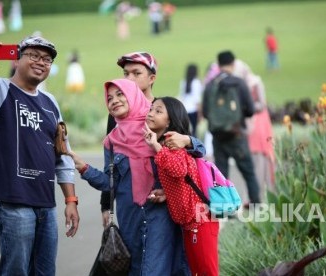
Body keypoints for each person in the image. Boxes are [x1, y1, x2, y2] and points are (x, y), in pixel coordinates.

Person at [0, 36, 79, 275]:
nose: (41, 62)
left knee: (45, 271)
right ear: (16, 59)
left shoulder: (50, 103)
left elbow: (62, 154)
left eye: (46, 59)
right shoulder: (0, 89)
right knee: (17, 271)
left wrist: (70, 200)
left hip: (45, 204)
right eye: (33, 55)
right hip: (12, 203)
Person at [70, 78, 191, 275]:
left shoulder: (156, 127)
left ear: (133, 96)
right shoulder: (111, 141)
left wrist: (187, 140)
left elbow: (189, 161)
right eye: (109, 98)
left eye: (120, 95)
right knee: (135, 270)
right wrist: (83, 167)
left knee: (154, 271)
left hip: (159, 216)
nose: (114, 101)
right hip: (129, 220)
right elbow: (109, 183)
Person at [101, 51, 206, 226]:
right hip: (130, 207)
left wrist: (187, 140)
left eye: (136, 73)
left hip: (165, 204)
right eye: (126, 74)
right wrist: (106, 206)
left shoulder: (164, 110)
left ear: (152, 78)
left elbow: (196, 151)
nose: (129, 79)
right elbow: (110, 164)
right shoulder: (117, 113)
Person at [144, 96, 219, 276]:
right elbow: (181, 180)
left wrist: (155, 146)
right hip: (191, 222)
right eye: (151, 109)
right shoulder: (167, 145)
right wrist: (167, 193)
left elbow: (177, 169)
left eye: (158, 111)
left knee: (207, 271)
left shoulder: (173, 143)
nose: (151, 113)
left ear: (170, 121)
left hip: (200, 221)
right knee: (197, 271)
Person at [202, 50, 261, 204]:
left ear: (218, 64)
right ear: (233, 64)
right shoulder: (239, 83)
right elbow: (250, 110)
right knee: (248, 171)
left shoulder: (210, 85)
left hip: (217, 136)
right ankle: (255, 203)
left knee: (221, 174)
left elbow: (207, 112)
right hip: (237, 134)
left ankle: (225, 209)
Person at [244, 73, 276, 202]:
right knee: (253, 160)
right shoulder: (242, 82)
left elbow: (261, 104)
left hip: (258, 122)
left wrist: (245, 108)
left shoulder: (255, 82)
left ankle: (260, 195)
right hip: (252, 122)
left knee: (260, 156)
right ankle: (254, 195)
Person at [178, 63, 203, 137]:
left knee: (185, 130)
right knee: (194, 131)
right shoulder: (196, 82)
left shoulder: (184, 81)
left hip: (185, 108)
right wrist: (200, 113)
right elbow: (197, 99)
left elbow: (182, 95)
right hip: (193, 109)